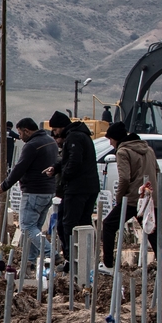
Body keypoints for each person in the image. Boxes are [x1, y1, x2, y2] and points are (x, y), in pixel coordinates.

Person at [0, 117, 58, 270]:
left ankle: (51, 253)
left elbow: (20, 168)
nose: (20, 137)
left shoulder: (32, 145)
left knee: (26, 226)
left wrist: (5, 185)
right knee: (35, 228)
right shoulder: (51, 141)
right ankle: (30, 261)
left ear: (27, 130)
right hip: (49, 191)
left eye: (20, 133)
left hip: (34, 191)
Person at [101, 122, 161, 260]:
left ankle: (108, 264)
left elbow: (125, 178)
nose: (110, 143)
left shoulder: (123, 152)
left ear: (115, 138)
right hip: (150, 198)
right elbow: (157, 171)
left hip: (132, 199)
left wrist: (119, 198)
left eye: (110, 139)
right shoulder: (149, 150)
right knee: (154, 233)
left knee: (108, 225)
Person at [47, 112, 100, 265]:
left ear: (62, 127)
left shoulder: (74, 137)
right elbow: (67, 160)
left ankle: (73, 259)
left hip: (77, 188)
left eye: (56, 130)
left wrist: (64, 178)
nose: (55, 133)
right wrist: (56, 168)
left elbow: (74, 163)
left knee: (68, 224)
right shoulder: (81, 135)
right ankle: (85, 258)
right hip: (88, 187)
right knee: (83, 222)